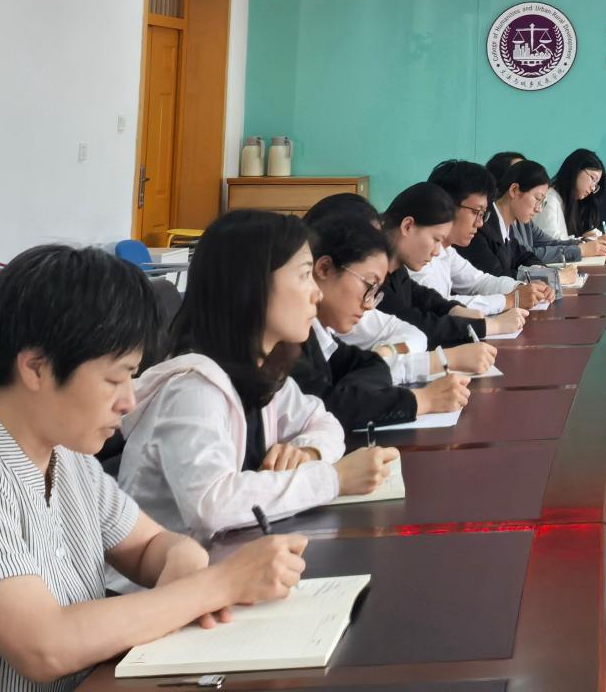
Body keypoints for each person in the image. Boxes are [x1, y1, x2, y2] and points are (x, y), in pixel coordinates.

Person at [0, 245, 310, 692]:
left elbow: (150, 546)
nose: (129, 400)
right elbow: (46, 646)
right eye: (115, 379)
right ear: (36, 368)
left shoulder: (64, 450)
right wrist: (218, 585)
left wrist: (182, 567)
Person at [114, 211, 397, 546]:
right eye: (304, 275)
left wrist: (308, 452)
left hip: (227, 561)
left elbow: (324, 421)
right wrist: (332, 478)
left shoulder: (262, 371)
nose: (316, 294)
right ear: (251, 285)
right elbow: (211, 505)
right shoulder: (193, 389)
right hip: (166, 575)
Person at [292, 210, 469, 437]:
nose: (369, 305)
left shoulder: (318, 334)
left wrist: (348, 394)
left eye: (376, 291)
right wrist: (421, 400)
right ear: (324, 268)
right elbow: (328, 408)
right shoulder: (287, 341)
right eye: (369, 285)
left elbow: (372, 365)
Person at [302, 194, 494, 381]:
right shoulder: (298, 338)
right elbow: (346, 390)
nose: (369, 304)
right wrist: (440, 363)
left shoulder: (380, 282)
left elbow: (414, 332)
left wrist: (388, 352)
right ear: (324, 267)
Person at [376, 184, 501, 370]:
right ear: (408, 226)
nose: (436, 252)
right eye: (436, 240)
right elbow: (414, 322)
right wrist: (489, 326)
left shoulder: (396, 267)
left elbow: (421, 295)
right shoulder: (374, 278)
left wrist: (452, 308)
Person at [418, 161, 545, 321]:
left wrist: (522, 289)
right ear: (446, 205)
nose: (479, 223)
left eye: (483, 214)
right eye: (476, 212)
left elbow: (479, 282)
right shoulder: (417, 251)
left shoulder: (447, 251)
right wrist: (508, 300)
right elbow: (440, 306)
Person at [466, 160, 579, 274]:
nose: (538, 209)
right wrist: (553, 276)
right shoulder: (482, 227)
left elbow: (526, 257)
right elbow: (497, 276)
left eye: (542, 202)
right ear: (514, 190)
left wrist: (544, 272)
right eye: (538, 199)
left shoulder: (509, 228)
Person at [542, 148, 606, 257]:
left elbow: (563, 241)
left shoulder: (572, 201)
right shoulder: (549, 199)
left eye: (596, 184)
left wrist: (589, 239)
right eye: (593, 179)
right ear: (575, 170)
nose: (593, 188)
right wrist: (586, 243)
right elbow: (551, 246)